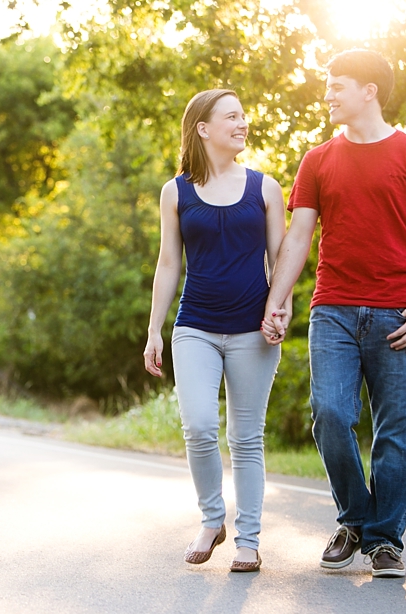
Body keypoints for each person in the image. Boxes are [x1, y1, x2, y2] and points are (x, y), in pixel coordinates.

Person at [261, 49, 406, 578]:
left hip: (401, 313)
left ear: (369, 90)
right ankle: (355, 518)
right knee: (329, 414)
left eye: (336, 85)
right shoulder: (318, 159)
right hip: (335, 311)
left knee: (398, 429)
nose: (327, 94)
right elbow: (299, 238)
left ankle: (384, 540)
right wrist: (276, 301)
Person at [144, 89, 287, 573]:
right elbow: (168, 264)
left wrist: (279, 308)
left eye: (245, 115)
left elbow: (280, 261)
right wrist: (154, 331)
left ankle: (248, 541)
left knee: (246, 439)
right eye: (232, 116)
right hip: (195, 327)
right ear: (203, 128)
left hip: (252, 330)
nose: (243, 123)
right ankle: (212, 519)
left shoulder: (265, 189)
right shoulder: (176, 191)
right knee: (200, 426)